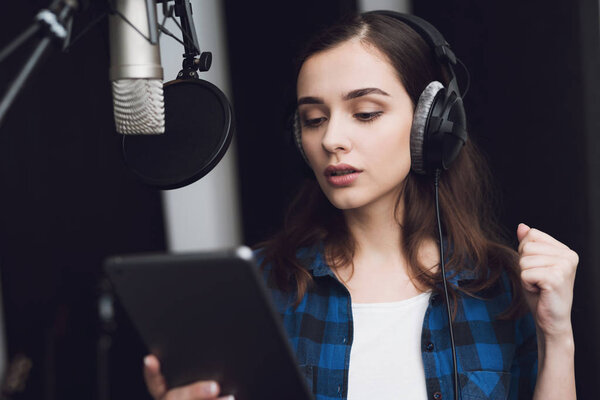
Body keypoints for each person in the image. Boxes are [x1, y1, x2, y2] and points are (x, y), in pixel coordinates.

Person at [143, 11, 578, 400]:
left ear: (432, 123)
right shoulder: (257, 289)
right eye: (314, 120)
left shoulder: (505, 286)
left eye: (365, 113)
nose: (331, 139)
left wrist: (557, 337)